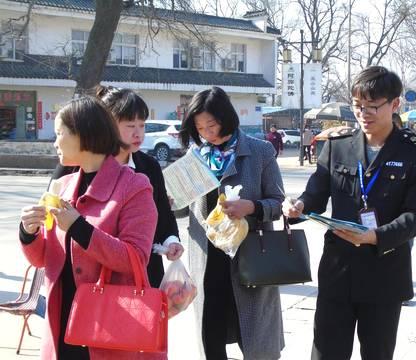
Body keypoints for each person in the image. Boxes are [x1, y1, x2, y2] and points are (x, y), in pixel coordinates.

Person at [283, 66, 416, 360]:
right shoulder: (337, 146)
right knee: (326, 352)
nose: (364, 114)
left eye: (372, 107)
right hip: (337, 271)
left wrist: (375, 236)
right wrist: (300, 206)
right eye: (358, 107)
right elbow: (316, 193)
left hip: (385, 273)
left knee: (377, 354)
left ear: (395, 105)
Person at [19, 97, 160, 359]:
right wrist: (28, 233)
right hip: (62, 322)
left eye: (60, 133)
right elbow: (43, 258)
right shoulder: (62, 185)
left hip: (109, 327)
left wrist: (79, 229)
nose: (55, 142)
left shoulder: (134, 186)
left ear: (83, 135)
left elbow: (135, 259)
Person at [178, 86, 285, 360]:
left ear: (226, 118)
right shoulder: (195, 157)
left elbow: (277, 203)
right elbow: (182, 209)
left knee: (255, 339)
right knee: (210, 336)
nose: (206, 133)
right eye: (199, 127)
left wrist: (252, 207)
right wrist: (168, 201)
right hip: (207, 261)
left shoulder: (260, 151)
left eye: (211, 125)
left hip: (250, 260)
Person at [50, 86, 183, 287]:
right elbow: (51, 226)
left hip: (140, 279)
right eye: (130, 126)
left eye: (142, 125)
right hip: (86, 282)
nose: (138, 133)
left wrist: (171, 240)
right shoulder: (75, 166)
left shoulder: (149, 166)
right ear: (107, 124)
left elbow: (163, 213)